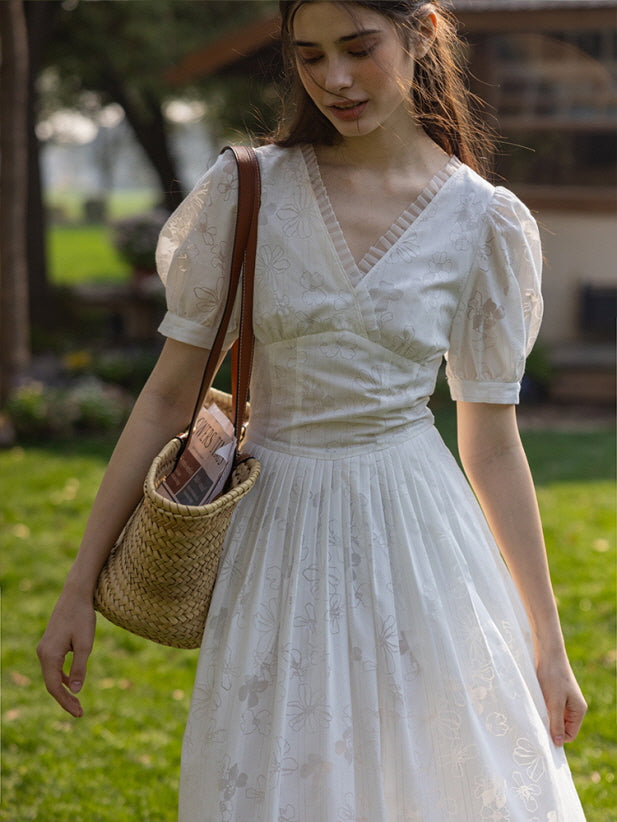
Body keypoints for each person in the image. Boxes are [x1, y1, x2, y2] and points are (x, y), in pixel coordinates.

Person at [38, 1, 588, 819]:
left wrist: (548, 643)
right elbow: (165, 398)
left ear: (422, 33)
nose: (333, 79)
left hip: (419, 536)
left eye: (358, 49)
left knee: (436, 776)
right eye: (309, 56)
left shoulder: (483, 221)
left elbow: (493, 443)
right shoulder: (248, 189)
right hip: (276, 531)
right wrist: (80, 583)